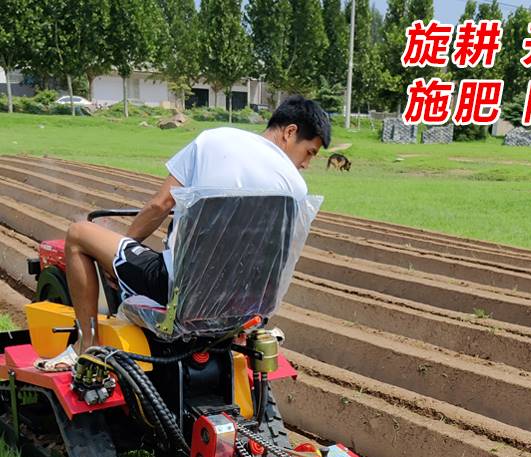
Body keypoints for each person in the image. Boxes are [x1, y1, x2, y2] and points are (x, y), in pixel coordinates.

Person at [40, 95, 330, 370]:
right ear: (290, 132)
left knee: (79, 233)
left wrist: (125, 248)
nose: (306, 164)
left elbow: (161, 204)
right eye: (309, 153)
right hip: (242, 305)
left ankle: (85, 345)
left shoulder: (213, 140)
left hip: (178, 293)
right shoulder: (295, 189)